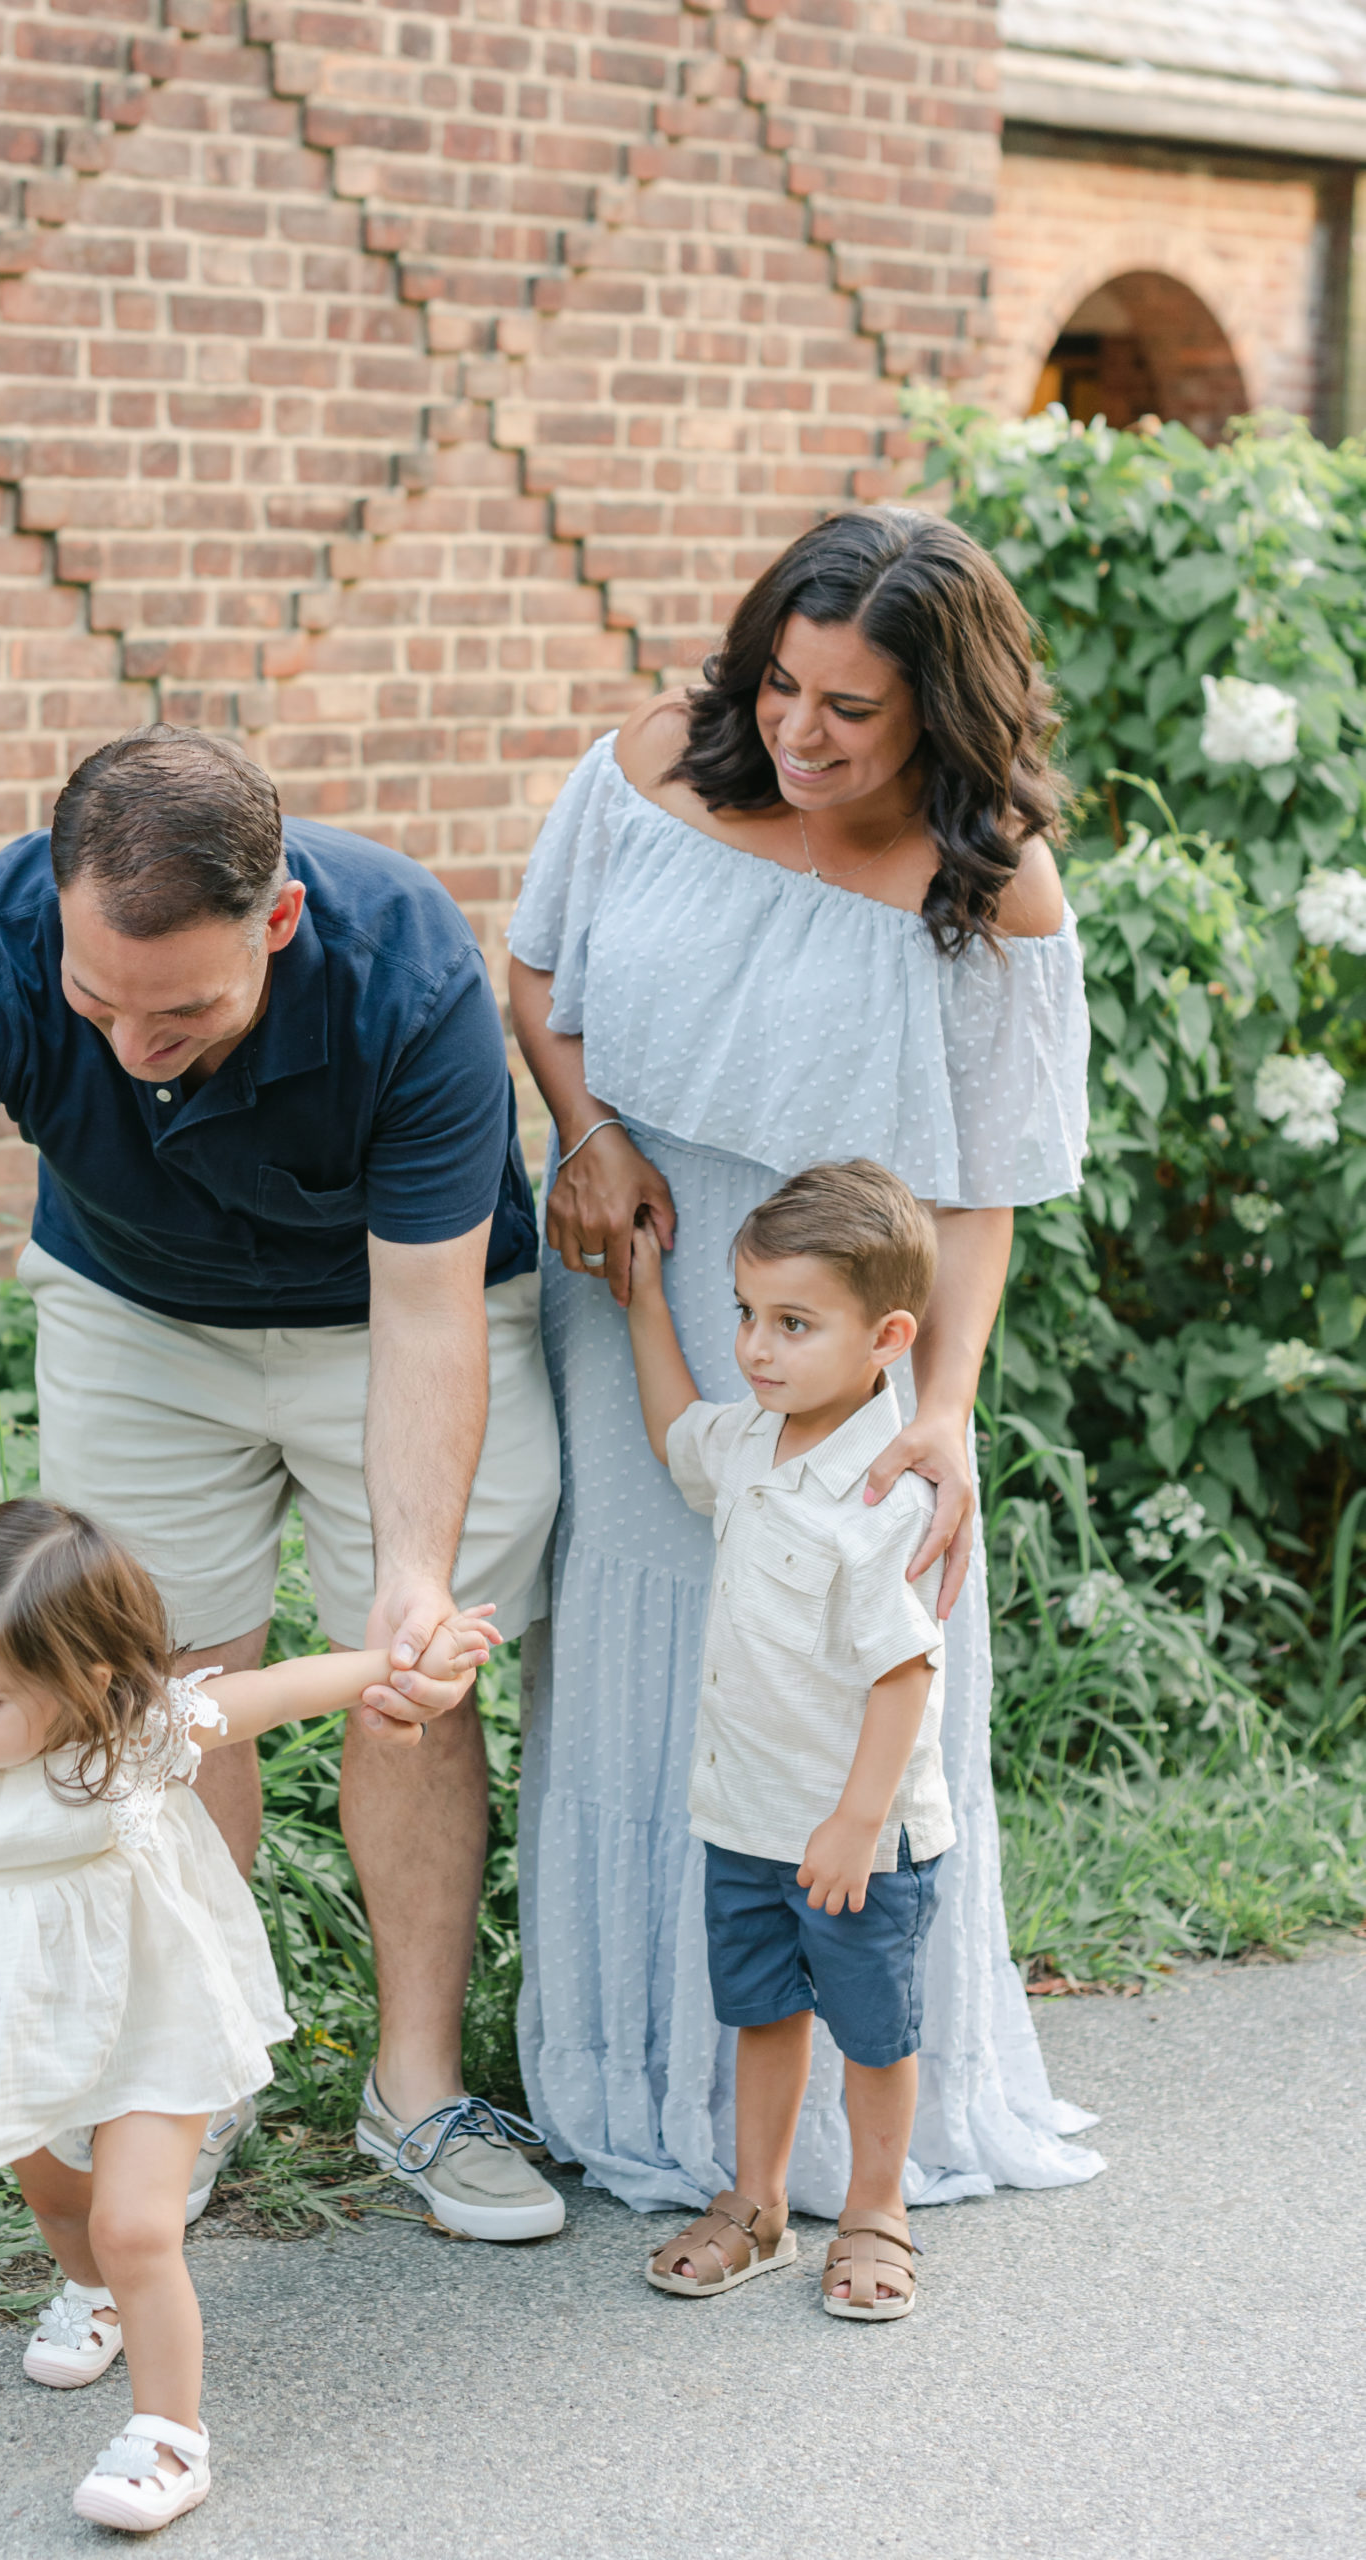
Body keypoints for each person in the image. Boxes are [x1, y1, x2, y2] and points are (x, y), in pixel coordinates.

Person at [0, 724, 564, 2243]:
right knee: (157, 1680)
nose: (128, 1044)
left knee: (406, 1672)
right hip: (136, 1314)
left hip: (390, 1316)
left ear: (279, 923)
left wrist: (414, 1570)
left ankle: (414, 2083)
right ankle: (195, 2074)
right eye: (95, 999)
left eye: (182, 1010)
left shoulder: (409, 968)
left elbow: (427, 1312)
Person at [507, 505, 1104, 2214]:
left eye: (847, 707)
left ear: (939, 708)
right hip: (647, 1267)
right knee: (645, 1644)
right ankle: (634, 2072)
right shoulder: (645, 770)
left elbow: (983, 1185)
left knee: (853, 1662)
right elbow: (536, 966)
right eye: (781, 685)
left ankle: (856, 2133)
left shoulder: (987, 881)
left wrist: (944, 1410)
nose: (797, 730)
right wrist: (587, 1135)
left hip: (860, 1326)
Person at [0, 1490, 503, 2530]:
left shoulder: (135, 1734)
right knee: (60, 2196)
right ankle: (89, 2290)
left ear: (88, 1683)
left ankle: (168, 2436)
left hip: (154, 2002)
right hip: (16, 2008)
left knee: (134, 2223)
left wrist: (392, 1663)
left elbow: (271, 1689)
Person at [629, 1163, 949, 2320]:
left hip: (857, 1830)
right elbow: (676, 1427)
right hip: (747, 1815)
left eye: (793, 1324)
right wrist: (642, 1303)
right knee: (760, 2012)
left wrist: (857, 1822)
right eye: (746, 1316)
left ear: (886, 1337)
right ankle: (755, 2202)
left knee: (872, 2029)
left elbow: (905, 1670)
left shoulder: (879, 1494)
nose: (756, 1349)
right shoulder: (749, 1442)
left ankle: (874, 2209)